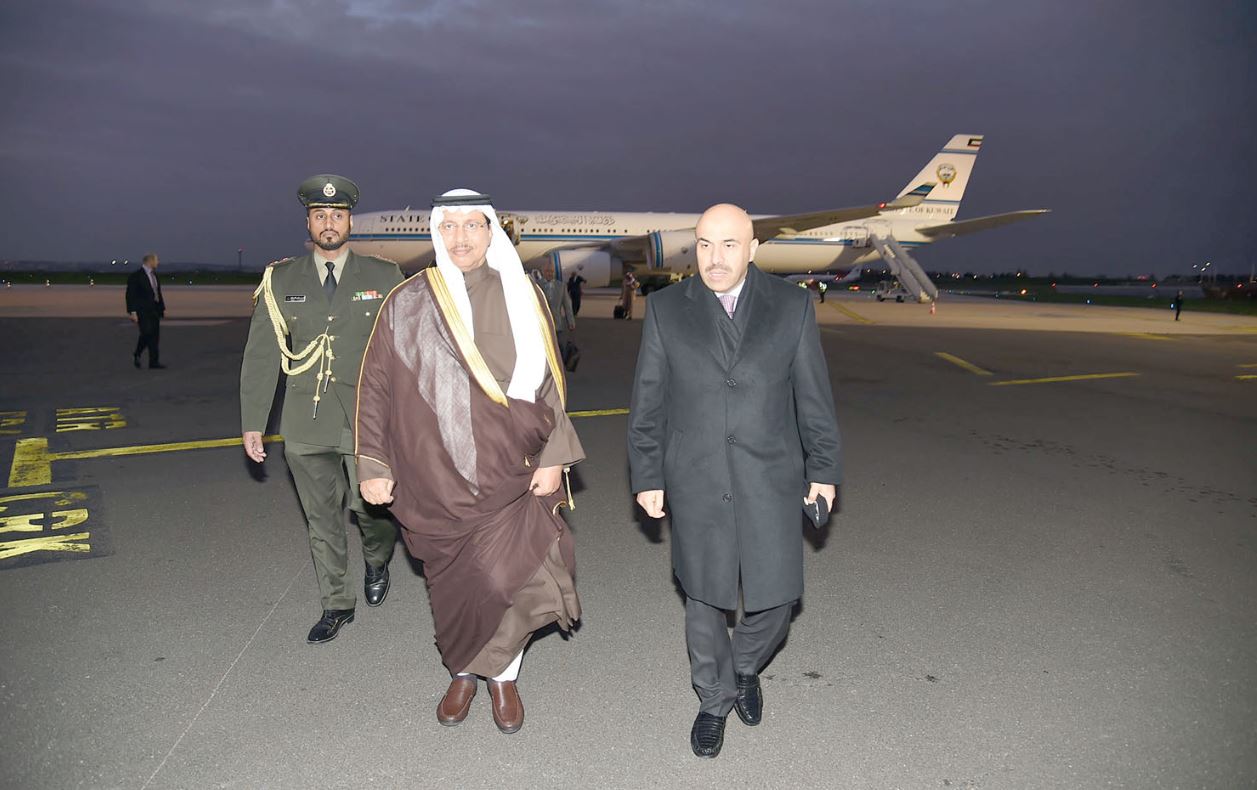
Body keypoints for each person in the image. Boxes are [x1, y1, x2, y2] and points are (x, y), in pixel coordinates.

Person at [356, 189, 584, 735]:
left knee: (509, 578)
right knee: (453, 581)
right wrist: (373, 464)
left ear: (490, 231)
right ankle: (461, 671)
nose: (460, 237)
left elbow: (550, 382)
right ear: (437, 232)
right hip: (434, 473)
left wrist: (554, 457)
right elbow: (376, 385)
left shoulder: (524, 294)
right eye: (450, 226)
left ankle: (503, 676)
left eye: (472, 225)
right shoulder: (408, 300)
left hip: (514, 467)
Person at [627, 203, 841, 759]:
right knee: (703, 596)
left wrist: (823, 470)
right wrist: (647, 474)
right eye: (704, 244)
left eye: (728, 245)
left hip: (771, 475)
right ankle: (714, 699)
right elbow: (648, 403)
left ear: (752, 249)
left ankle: (744, 663)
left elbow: (813, 398)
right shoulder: (667, 308)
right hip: (695, 476)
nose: (715, 258)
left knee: (778, 599)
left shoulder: (792, 306)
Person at [239, 174, 403, 644]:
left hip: (366, 421)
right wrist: (254, 422)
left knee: (373, 512)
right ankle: (336, 603)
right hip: (305, 423)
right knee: (322, 520)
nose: (328, 223)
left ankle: (377, 559)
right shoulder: (280, 279)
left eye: (337, 215)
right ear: (308, 223)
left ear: (350, 221)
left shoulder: (384, 276)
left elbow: (406, 350)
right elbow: (262, 354)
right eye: (319, 215)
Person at [126, 253, 166, 369]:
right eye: (156, 260)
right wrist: (132, 312)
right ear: (150, 261)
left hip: (154, 310)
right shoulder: (136, 276)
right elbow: (130, 295)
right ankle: (137, 353)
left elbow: (157, 293)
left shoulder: (154, 276)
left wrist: (162, 308)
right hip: (142, 311)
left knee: (155, 336)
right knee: (147, 332)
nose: (158, 262)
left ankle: (154, 362)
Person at [538, 260, 576, 361]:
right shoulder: (537, 285)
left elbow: (567, 306)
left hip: (556, 324)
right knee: (543, 349)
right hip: (542, 324)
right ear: (542, 272)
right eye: (547, 271)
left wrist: (571, 322)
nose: (550, 273)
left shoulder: (561, 286)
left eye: (551, 271)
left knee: (558, 349)